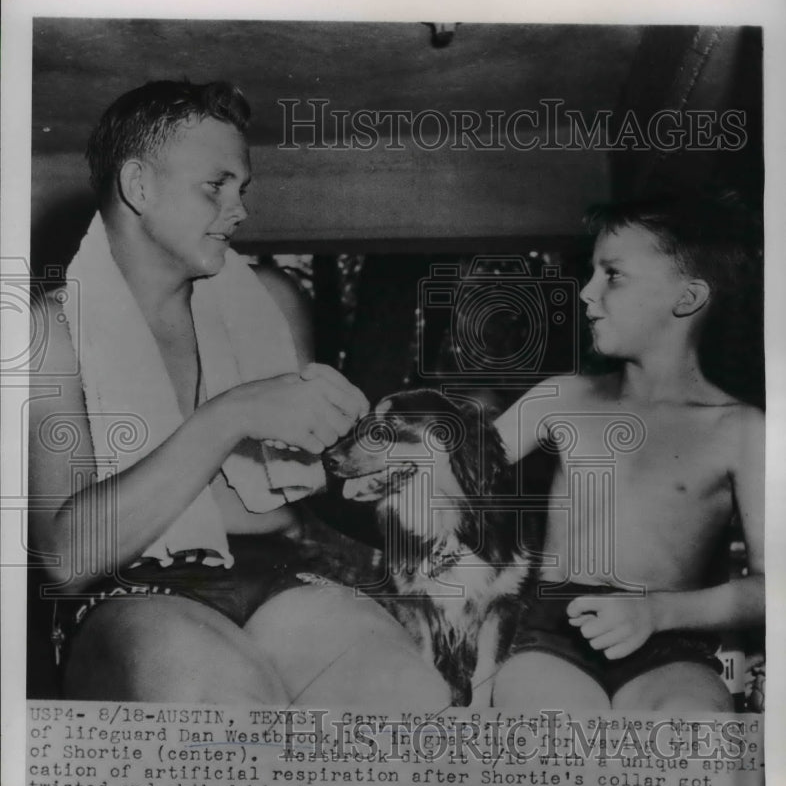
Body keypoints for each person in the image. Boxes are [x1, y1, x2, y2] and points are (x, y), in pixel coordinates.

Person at [28, 80, 450, 707]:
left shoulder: (273, 303)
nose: (240, 210)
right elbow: (65, 561)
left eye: (241, 189)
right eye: (215, 185)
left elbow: (325, 489)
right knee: (222, 704)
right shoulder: (47, 330)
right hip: (131, 592)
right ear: (138, 186)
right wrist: (233, 413)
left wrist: (397, 476)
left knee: (403, 698)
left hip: (280, 573)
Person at [493, 193, 764, 711]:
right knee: (554, 730)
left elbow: (772, 590)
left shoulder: (740, 429)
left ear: (686, 298)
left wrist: (656, 613)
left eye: (612, 275)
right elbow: (451, 468)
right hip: (553, 631)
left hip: (673, 639)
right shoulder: (562, 396)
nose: (586, 293)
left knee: (696, 732)